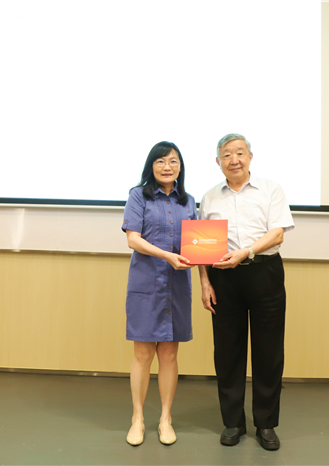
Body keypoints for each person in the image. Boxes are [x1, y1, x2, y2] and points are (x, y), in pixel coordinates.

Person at [198, 133, 294, 451]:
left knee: (269, 351)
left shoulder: (271, 189)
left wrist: (247, 252)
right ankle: (233, 422)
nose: (234, 159)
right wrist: (205, 282)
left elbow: (277, 234)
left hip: (264, 273)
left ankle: (266, 423)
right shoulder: (210, 197)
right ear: (218, 162)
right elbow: (201, 247)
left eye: (240, 153)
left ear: (250, 157)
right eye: (227, 154)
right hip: (223, 278)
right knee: (228, 351)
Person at [122, 141, 196, 446]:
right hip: (146, 283)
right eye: (161, 161)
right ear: (151, 166)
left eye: (173, 161)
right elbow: (133, 240)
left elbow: (197, 245)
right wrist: (167, 255)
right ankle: (137, 418)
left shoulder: (188, 201)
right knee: (142, 354)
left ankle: (165, 418)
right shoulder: (138, 195)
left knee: (169, 354)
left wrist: (205, 271)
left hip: (177, 285)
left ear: (180, 166)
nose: (168, 167)